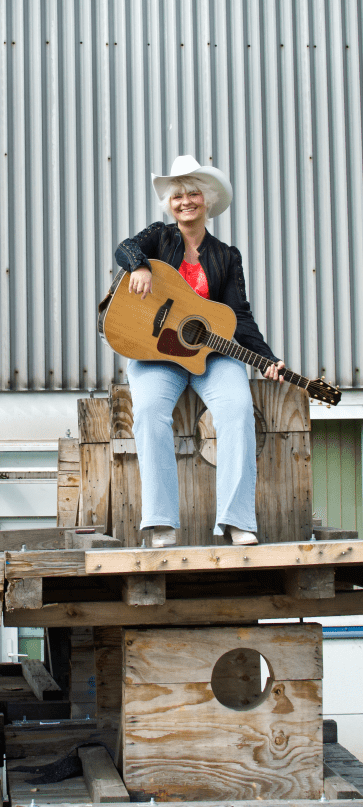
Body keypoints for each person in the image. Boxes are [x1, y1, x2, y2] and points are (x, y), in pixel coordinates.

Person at [113, 155, 284, 547]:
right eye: (177, 196)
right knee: (149, 413)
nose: (185, 201)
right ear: (169, 204)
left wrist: (268, 357)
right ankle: (161, 522)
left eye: (193, 193)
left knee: (238, 411)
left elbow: (238, 315)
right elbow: (125, 248)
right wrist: (140, 266)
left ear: (207, 201)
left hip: (212, 355)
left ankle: (237, 520)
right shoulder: (159, 237)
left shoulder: (227, 256)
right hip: (157, 353)